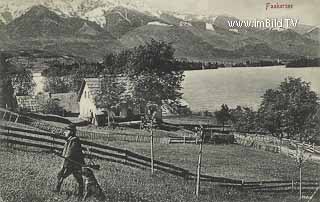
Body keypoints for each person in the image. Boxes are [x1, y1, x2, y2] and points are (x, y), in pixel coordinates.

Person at [55, 123, 85, 197]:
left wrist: (65, 163)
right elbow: (66, 151)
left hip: (73, 164)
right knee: (62, 176)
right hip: (69, 163)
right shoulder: (69, 140)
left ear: (71, 132)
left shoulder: (74, 140)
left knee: (76, 178)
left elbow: (70, 153)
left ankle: (80, 193)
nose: (65, 132)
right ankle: (57, 189)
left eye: (67, 131)